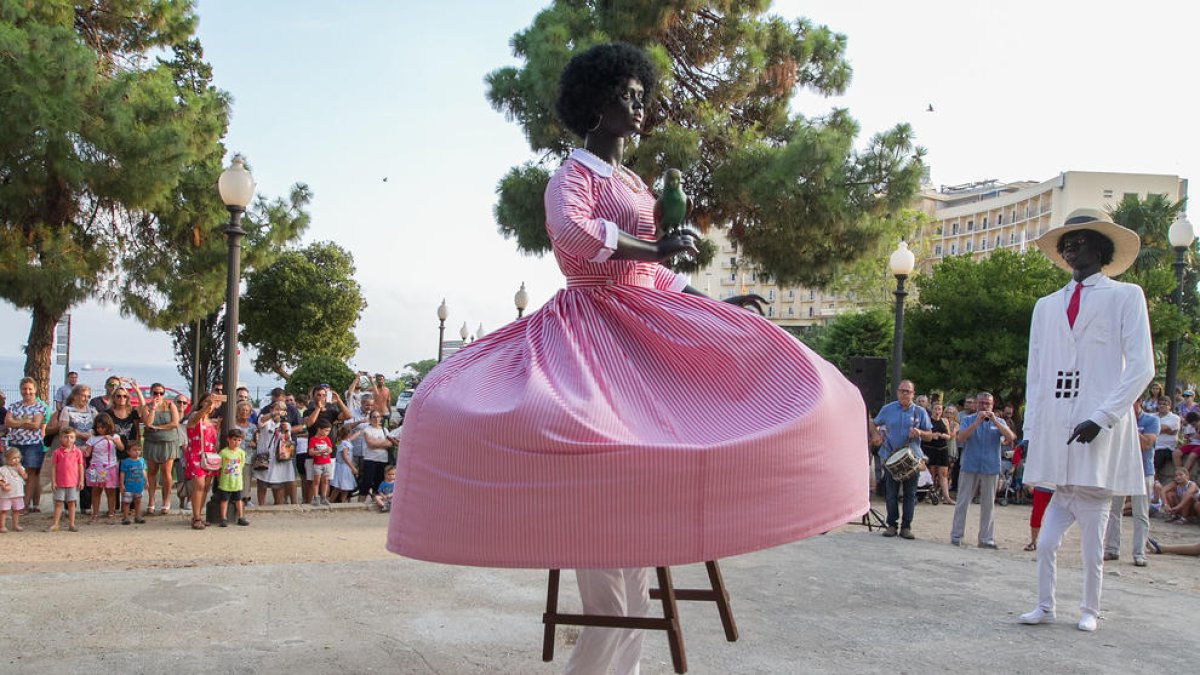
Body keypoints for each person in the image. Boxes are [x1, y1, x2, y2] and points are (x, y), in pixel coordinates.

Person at [385, 42, 868, 675]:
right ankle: (597, 656)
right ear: (596, 102)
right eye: (626, 95)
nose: (639, 107)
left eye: (643, 95)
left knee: (676, 459)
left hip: (646, 326)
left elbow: (654, 272)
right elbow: (578, 240)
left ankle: (623, 664)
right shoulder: (573, 176)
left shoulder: (636, 183)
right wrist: (656, 245)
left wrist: (711, 297)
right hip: (592, 327)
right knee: (598, 454)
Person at [1019, 208, 1153, 633]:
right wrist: (1029, 432)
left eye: (1082, 242)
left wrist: (1104, 414)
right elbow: (1036, 374)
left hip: (1098, 430)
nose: (1074, 249)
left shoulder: (1125, 296)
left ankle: (1090, 609)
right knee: (1045, 543)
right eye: (1067, 244)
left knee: (1093, 544)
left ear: (1102, 248)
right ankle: (1044, 604)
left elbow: (1141, 367)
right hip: (1058, 432)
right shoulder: (1046, 306)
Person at [952, 392, 1017, 548]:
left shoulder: (999, 421)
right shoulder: (968, 420)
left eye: (988, 404)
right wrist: (976, 422)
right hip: (970, 465)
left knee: (988, 505)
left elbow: (1011, 436)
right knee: (963, 502)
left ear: (992, 405)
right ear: (976, 404)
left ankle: (986, 539)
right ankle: (956, 535)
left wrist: (995, 420)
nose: (984, 406)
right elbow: (960, 438)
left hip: (990, 467)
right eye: (981, 403)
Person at [874, 380, 933, 539]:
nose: (905, 394)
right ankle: (892, 525)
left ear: (913, 394)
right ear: (897, 392)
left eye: (908, 391)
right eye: (902, 391)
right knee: (891, 493)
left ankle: (906, 527)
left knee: (910, 493)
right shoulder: (887, 409)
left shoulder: (920, 412)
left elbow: (930, 435)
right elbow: (874, 424)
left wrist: (919, 432)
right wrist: (876, 435)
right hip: (890, 456)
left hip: (912, 457)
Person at [1103, 402, 1159, 565]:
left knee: (1141, 514)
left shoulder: (1150, 421)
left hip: (1143, 471)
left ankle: (1139, 553)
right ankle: (1112, 549)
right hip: (1119, 470)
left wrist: (1130, 424)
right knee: (1114, 511)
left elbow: (1146, 444)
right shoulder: (1117, 418)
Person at [5, 377, 48, 514]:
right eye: (24, 389)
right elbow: (8, 423)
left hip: (32, 444)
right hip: (14, 444)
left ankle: (25, 504)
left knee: (30, 473)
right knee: (12, 473)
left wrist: (17, 421)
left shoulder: (40, 406)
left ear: (35, 389)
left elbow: (36, 425)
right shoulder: (14, 405)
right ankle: (12, 503)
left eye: (30, 389)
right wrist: (25, 421)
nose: (27, 391)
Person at [139, 383, 180, 516]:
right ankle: (151, 501)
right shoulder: (147, 407)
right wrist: (154, 409)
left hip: (167, 442)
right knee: (152, 471)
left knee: (166, 472)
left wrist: (160, 428)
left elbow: (175, 423)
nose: (158, 395)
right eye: (155, 393)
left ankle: (166, 501)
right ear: (151, 394)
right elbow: (148, 423)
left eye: (161, 393)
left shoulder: (170, 405)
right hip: (152, 442)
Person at [184, 392, 222, 530]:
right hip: (196, 455)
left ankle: (198, 515)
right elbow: (199, 415)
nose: (210, 405)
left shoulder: (210, 422)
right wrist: (208, 404)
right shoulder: (195, 417)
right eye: (206, 401)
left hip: (208, 456)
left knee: (205, 487)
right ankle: (197, 517)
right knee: (199, 485)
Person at [253, 402, 296, 506]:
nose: (279, 412)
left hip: (278, 459)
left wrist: (286, 431)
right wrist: (273, 414)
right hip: (264, 457)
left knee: (278, 485)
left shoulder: (286, 424)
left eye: (281, 410)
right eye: (277, 409)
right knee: (262, 485)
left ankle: (278, 506)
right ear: (272, 409)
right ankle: (261, 506)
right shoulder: (265, 419)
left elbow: (287, 443)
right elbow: (261, 422)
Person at [83, 412, 123, 522]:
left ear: (108, 426)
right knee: (96, 491)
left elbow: (121, 448)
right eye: (98, 427)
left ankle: (111, 513)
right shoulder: (93, 438)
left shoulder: (115, 436)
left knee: (110, 491)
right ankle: (95, 514)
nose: (100, 429)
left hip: (110, 467)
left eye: (103, 427)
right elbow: (88, 453)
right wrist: (82, 451)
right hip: (96, 467)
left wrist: (113, 440)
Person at [48, 427, 84, 532]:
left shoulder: (77, 452)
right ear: (60, 438)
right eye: (66, 437)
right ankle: (55, 524)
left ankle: (72, 524)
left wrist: (81, 480)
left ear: (75, 438)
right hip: (60, 482)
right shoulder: (57, 452)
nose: (69, 439)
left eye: (71, 437)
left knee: (71, 503)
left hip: (73, 482)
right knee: (58, 503)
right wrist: (53, 481)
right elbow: (53, 467)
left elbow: (80, 466)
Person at [216, 428, 249, 527]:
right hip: (225, 481)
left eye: (239, 440)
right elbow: (220, 467)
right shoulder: (223, 453)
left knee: (238, 499)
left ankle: (241, 517)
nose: (236, 442)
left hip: (237, 481)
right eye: (234, 439)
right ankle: (223, 518)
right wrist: (219, 478)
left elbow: (241, 465)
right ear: (228, 439)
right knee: (224, 500)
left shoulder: (241, 453)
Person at [922, 403, 954, 504]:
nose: (938, 411)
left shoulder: (944, 421)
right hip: (930, 448)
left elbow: (949, 436)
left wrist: (944, 435)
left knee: (944, 474)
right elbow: (924, 435)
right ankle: (928, 495)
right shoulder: (927, 420)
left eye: (940, 409)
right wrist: (932, 435)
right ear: (932, 410)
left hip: (942, 449)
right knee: (932, 474)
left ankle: (946, 497)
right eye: (936, 409)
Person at [359, 410, 392, 502]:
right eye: (374, 417)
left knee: (379, 482)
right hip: (370, 459)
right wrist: (383, 443)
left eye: (378, 417)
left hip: (382, 459)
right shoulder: (367, 429)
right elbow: (370, 444)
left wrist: (376, 443)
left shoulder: (384, 430)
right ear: (370, 419)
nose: (376, 419)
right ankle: (360, 502)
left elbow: (389, 443)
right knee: (366, 482)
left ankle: (376, 501)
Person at [1152, 396, 1181, 482]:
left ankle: (1154, 485)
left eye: (1165, 404)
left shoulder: (1175, 418)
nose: (1162, 406)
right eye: (1160, 404)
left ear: (1170, 406)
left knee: (1153, 466)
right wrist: (1164, 430)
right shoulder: (1152, 416)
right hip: (1150, 445)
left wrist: (1153, 428)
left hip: (1165, 448)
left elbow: (1162, 428)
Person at [307, 419, 335, 506]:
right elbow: (310, 452)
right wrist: (320, 452)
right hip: (317, 464)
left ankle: (324, 497)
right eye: (326, 430)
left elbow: (330, 449)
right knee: (316, 481)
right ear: (319, 429)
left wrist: (328, 450)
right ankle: (315, 498)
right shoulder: (313, 439)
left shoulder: (327, 439)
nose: (327, 433)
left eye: (329, 431)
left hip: (327, 463)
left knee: (325, 481)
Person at [0, 448, 29, 532]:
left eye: (18, 458)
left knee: (16, 510)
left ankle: (15, 525)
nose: (16, 460)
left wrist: (21, 471)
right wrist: (3, 485)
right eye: (14, 458)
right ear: (7, 459)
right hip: (6, 494)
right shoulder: (3, 469)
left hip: (17, 493)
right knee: (4, 510)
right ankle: (2, 526)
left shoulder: (20, 468)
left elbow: (25, 477)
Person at [330, 424, 360, 503]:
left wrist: (360, 431)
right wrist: (352, 467)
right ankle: (331, 501)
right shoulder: (344, 444)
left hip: (345, 467)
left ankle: (343, 501)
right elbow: (344, 456)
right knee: (339, 486)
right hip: (343, 467)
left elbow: (353, 437)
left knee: (346, 486)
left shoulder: (346, 441)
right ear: (349, 433)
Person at [119, 443, 147, 525]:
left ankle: (138, 516)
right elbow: (122, 473)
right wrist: (121, 484)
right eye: (134, 450)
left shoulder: (141, 460)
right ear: (128, 451)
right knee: (126, 502)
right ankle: (125, 517)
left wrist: (146, 481)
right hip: (128, 486)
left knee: (138, 501)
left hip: (139, 485)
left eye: (139, 450)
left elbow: (144, 471)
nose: (137, 452)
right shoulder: (126, 462)